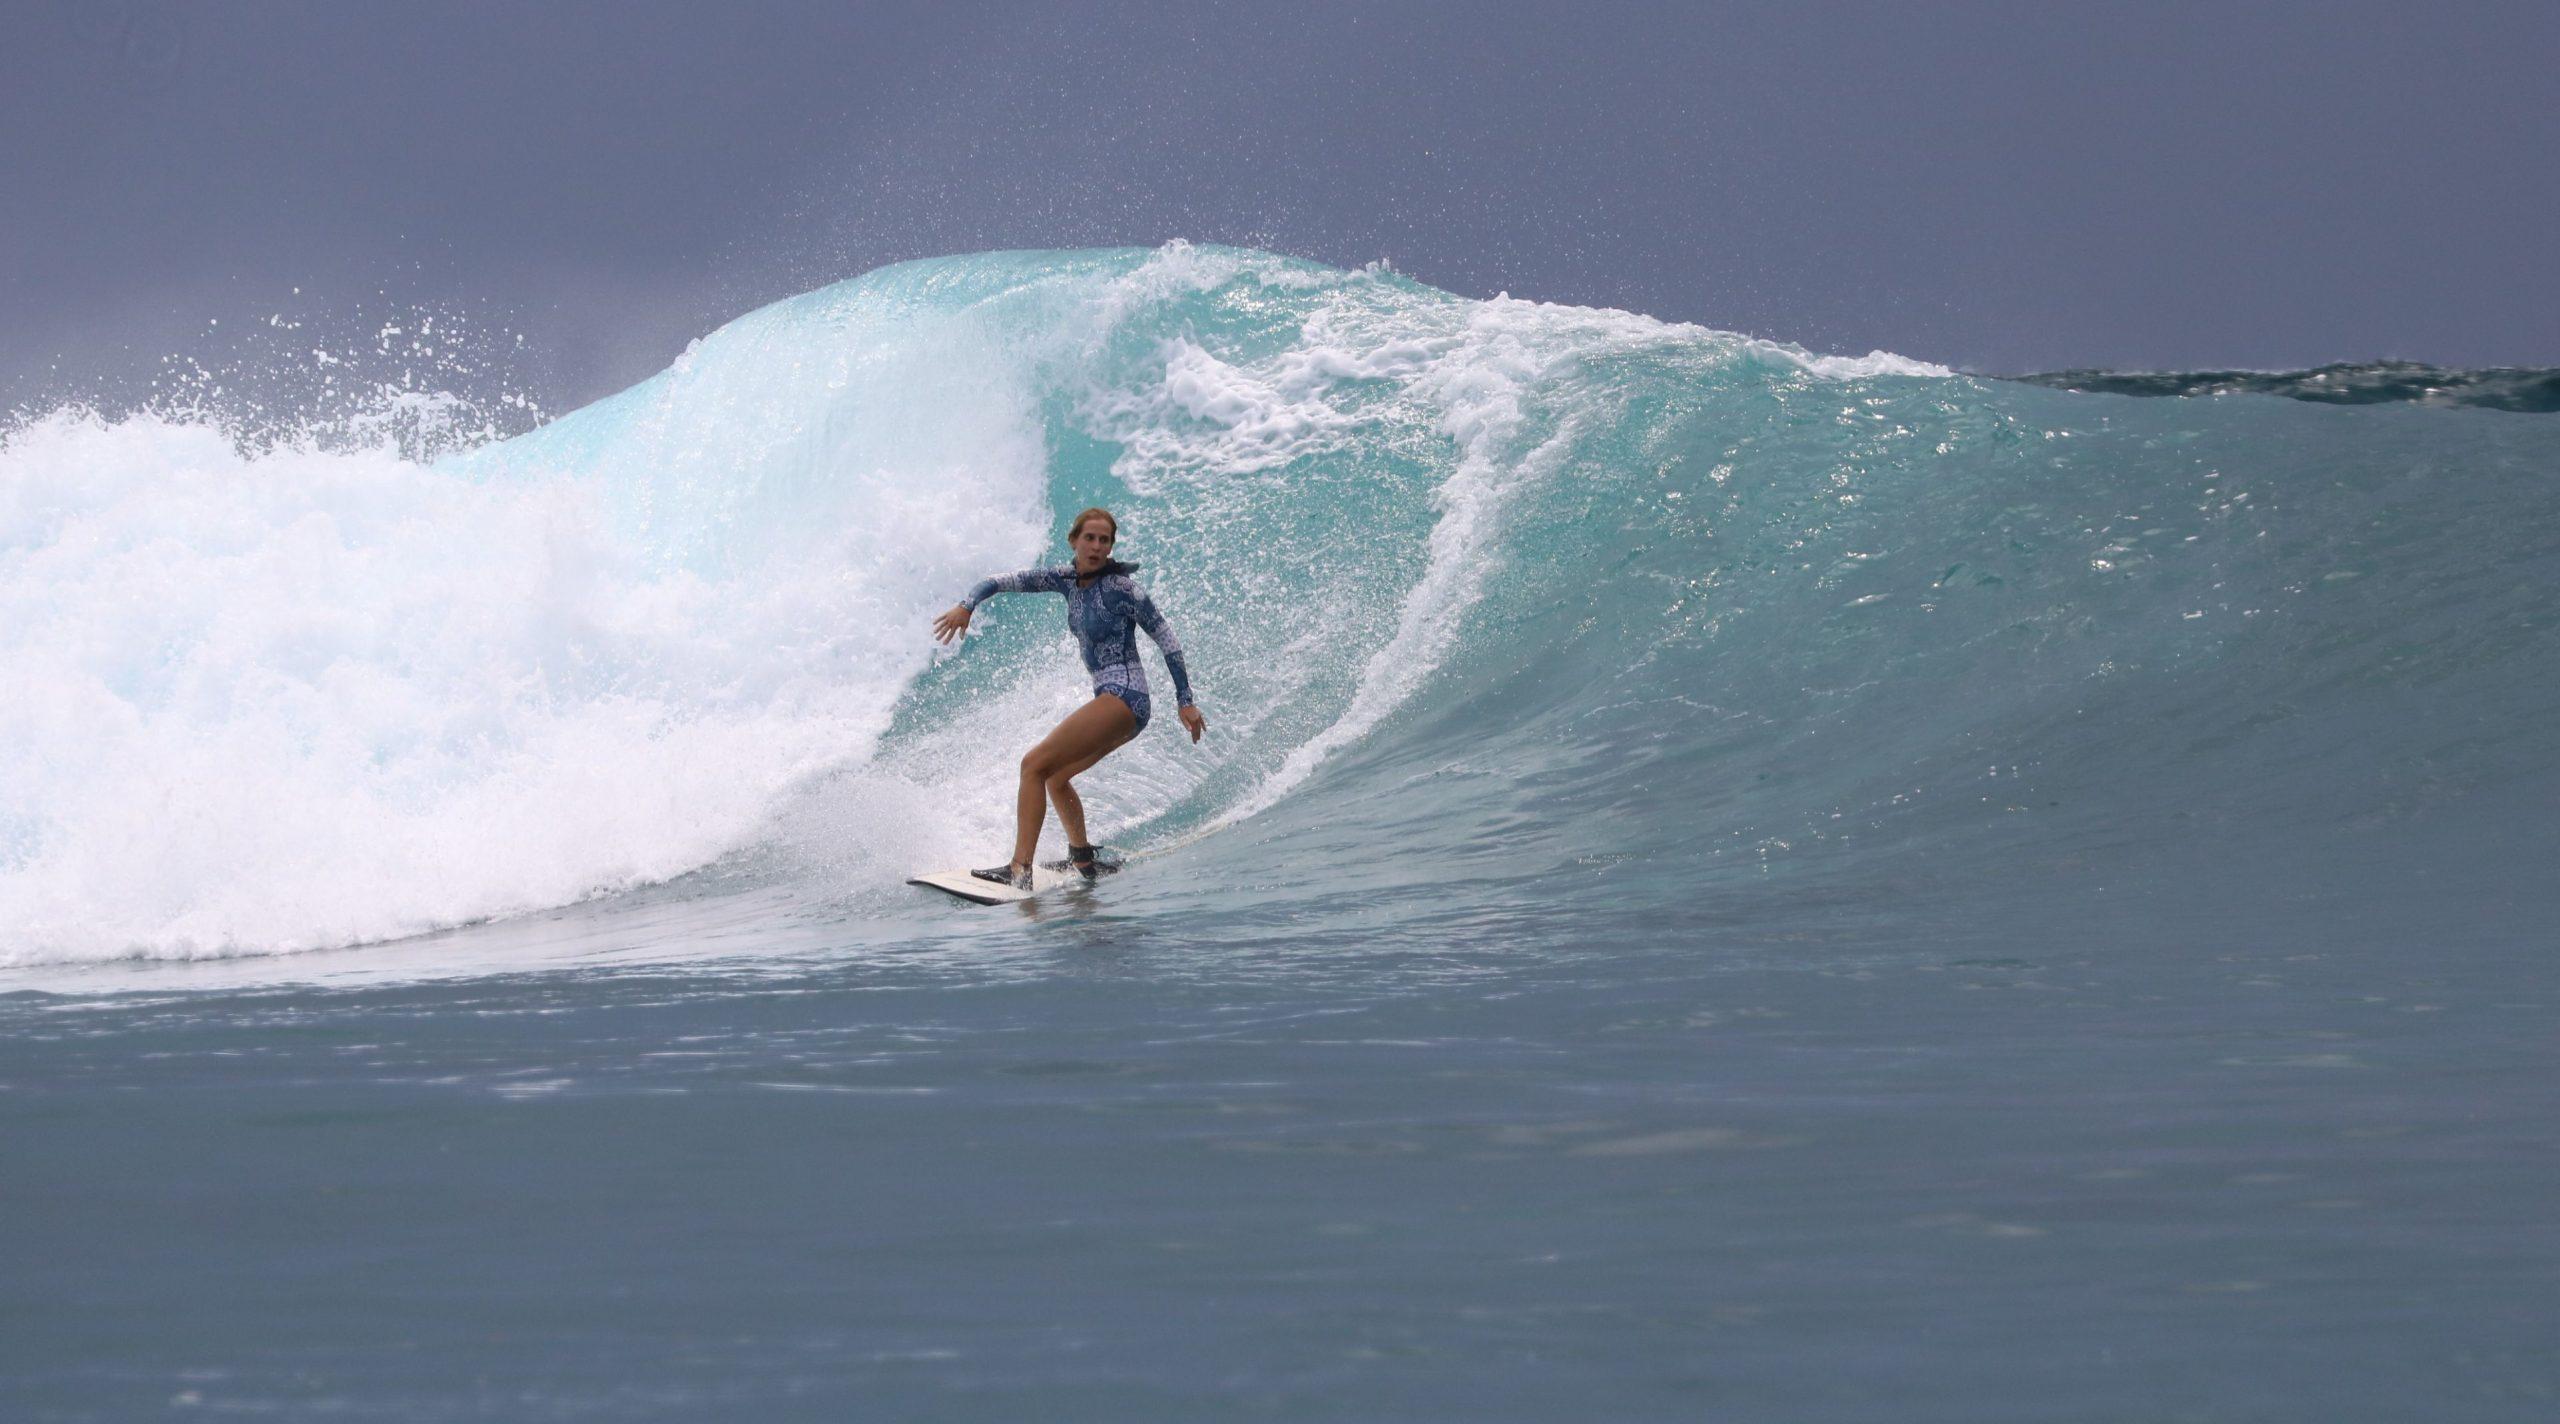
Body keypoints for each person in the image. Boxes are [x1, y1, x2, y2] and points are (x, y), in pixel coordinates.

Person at [931, 507, 1206, 888]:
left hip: (1125, 696)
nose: (1096, 546)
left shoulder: (1122, 589)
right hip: (1116, 700)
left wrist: (1185, 700)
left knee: (1032, 765)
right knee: (1055, 777)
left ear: (1111, 547)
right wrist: (967, 604)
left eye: (1104, 540)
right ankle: (1082, 859)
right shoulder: (1064, 580)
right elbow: (998, 581)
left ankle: (1018, 870)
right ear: (1074, 541)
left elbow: (1168, 640)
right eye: (1089, 538)